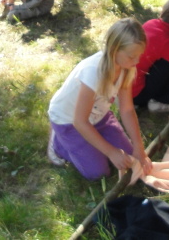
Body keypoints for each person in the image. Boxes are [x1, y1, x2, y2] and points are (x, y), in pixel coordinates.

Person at [47, 18, 153, 180]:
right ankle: (58, 143)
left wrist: (139, 147)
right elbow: (80, 122)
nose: (137, 61)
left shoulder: (125, 68)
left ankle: (95, 141)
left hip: (98, 116)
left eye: (139, 55)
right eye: (132, 56)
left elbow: (127, 109)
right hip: (69, 121)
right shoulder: (93, 72)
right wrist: (111, 152)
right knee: (98, 173)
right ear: (114, 50)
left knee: (130, 157)